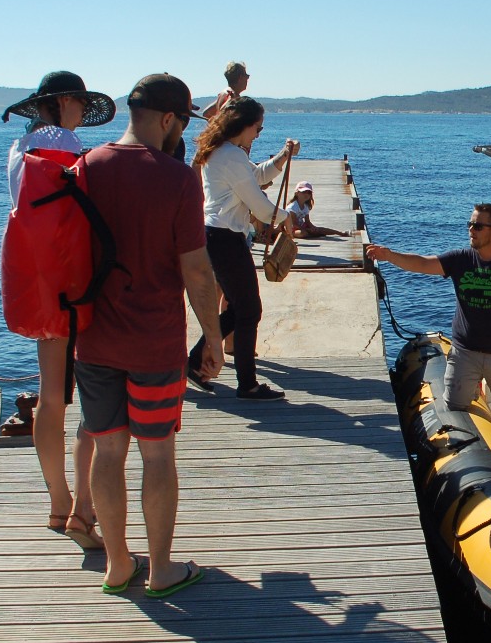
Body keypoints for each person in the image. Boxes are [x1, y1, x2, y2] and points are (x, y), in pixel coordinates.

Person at [75, 73, 224, 598]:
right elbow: (197, 270)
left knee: (107, 451)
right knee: (157, 454)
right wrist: (213, 338)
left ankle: (118, 564)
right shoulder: (177, 178)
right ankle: (160, 570)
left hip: (92, 340)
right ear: (168, 119)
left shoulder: (85, 167)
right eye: (183, 121)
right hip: (154, 342)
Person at [3, 70, 115, 550]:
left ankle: (56, 501)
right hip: (80, 281)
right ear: (66, 102)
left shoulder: (17, 149)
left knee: (51, 399)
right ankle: (82, 508)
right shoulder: (73, 149)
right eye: (79, 105)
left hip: (37, 279)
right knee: (95, 398)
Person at [366, 204, 491, 462]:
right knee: (455, 406)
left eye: (477, 225)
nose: (471, 229)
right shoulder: (461, 259)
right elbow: (424, 263)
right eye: (470, 224)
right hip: (464, 352)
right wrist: (389, 255)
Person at [186, 97, 298, 400]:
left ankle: (195, 362)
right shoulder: (231, 156)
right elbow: (261, 208)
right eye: (258, 128)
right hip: (224, 238)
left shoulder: (225, 152)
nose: (258, 134)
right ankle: (246, 384)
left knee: (240, 308)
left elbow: (258, 176)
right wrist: (288, 217)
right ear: (245, 124)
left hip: (218, 236)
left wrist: (284, 156)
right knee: (249, 310)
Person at [287, 181, 353, 239]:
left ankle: (340, 233)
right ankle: (311, 233)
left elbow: (307, 221)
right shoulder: (292, 207)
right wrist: (307, 229)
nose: (306, 194)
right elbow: (294, 224)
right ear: (297, 193)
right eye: (304, 192)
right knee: (303, 233)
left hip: (302, 226)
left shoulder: (306, 206)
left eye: (309, 192)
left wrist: (312, 227)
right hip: (292, 229)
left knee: (318, 229)